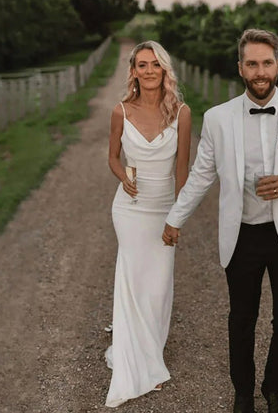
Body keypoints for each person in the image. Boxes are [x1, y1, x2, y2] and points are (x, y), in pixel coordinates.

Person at [162, 29, 278, 413]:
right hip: (241, 235)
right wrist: (175, 218)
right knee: (241, 319)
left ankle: (274, 386)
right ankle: (242, 392)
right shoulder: (217, 119)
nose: (261, 71)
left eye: (267, 63)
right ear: (241, 69)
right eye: (252, 63)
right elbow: (202, 175)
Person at [105, 40, 191, 408]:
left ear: (164, 70)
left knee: (157, 287)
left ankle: (150, 351)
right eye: (142, 65)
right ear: (134, 72)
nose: (149, 70)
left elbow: (182, 170)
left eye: (155, 64)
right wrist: (122, 175)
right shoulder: (120, 111)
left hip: (164, 207)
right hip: (130, 208)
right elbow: (112, 156)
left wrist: (178, 217)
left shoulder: (182, 113)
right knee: (132, 279)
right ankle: (139, 364)